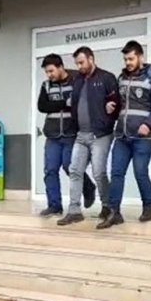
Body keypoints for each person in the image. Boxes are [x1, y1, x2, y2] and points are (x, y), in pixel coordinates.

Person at [98, 40, 151, 229]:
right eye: (125, 59)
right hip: (122, 135)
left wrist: (148, 124)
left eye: (131, 59)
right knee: (116, 173)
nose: (127, 62)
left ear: (140, 57)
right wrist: (110, 107)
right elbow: (120, 105)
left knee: (140, 172)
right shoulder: (122, 78)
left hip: (143, 137)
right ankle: (114, 212)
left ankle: (148, 208)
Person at [57, 46, 121, 226]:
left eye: (81, 62)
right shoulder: (78, 80)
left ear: (91, 59)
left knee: (99, 172)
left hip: (100, 134)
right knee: (74, 171)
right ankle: (74, 211)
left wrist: (110, 112)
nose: (79, 66)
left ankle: (107, 206)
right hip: (81, 135)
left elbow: (117, 102)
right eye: (77, 63)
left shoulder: (106, 78)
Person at [37, 54, 96, 217]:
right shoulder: (46, 85)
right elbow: (42, 106)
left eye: (51, 71)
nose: (49, 75)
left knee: (69, 166)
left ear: (60, 67)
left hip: (71, 133)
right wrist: (64, 103)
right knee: (50, 170)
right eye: (46, 72)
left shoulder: (77, 80)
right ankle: (54, 205)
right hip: (52, 134)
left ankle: (88, 187)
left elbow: (81, 102)